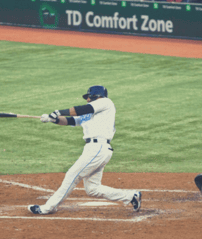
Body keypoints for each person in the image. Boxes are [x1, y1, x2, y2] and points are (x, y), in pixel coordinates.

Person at [28, 87, 141, 215]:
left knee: (72, 175)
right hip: (93, 149)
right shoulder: (90, 114)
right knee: (93, 189)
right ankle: (131, 196)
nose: (87, 99)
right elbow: (70, 121)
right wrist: (53, 119)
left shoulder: (105, 102)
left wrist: (58, 112)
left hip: (98, 148)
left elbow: (81, 109)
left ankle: (47, 208)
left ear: (96, 95)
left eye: (89, 96)